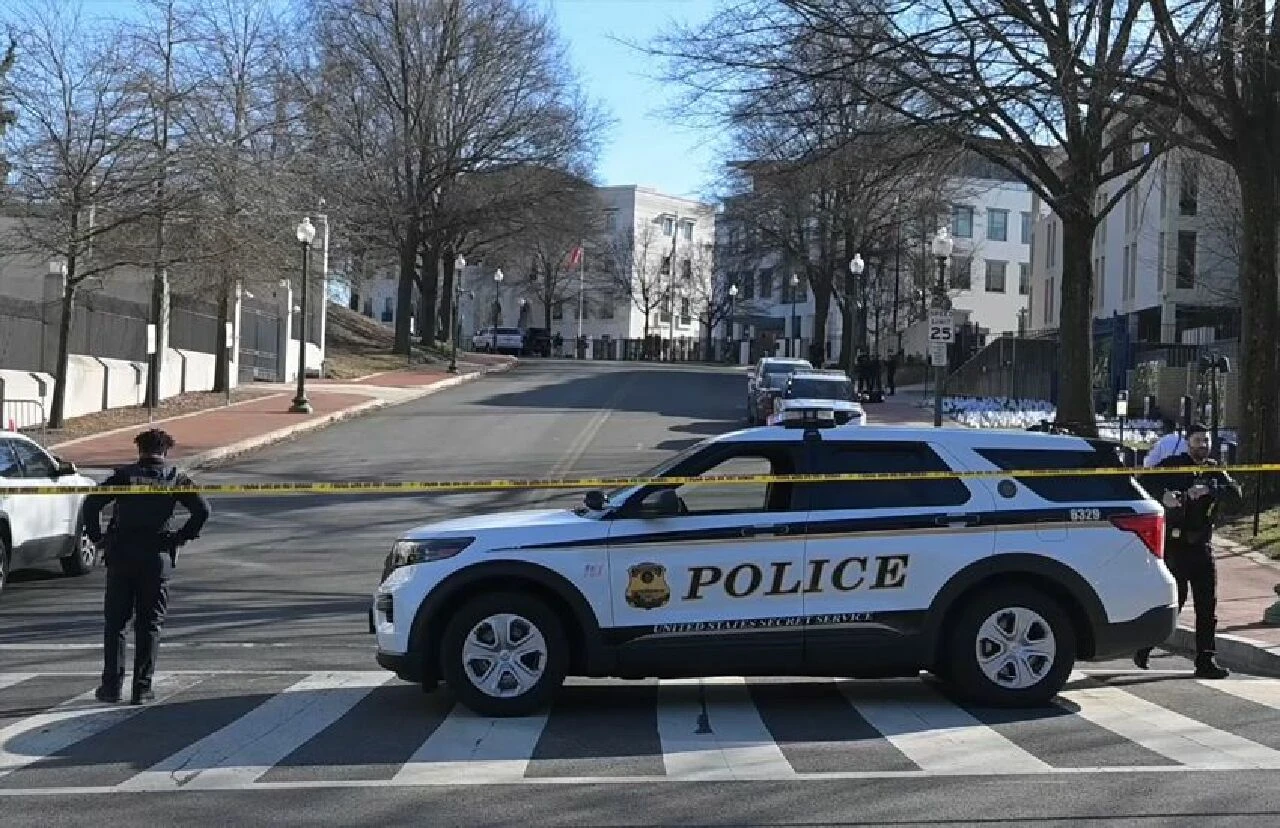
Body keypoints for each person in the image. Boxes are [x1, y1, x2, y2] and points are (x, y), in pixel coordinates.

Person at [83, 429, 211, 705]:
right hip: (157, 557)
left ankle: (111, 687)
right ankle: (142, 689)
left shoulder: (125, 476)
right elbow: (203, 511)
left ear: (139, 450)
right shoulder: (176, 478)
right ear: (166, 452)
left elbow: (91, 503)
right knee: (149, 624)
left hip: (122, 556)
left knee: (115, 623)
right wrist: (180, 537)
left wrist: (97, 538)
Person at [1134, 424, 1240, 678]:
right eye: (1197, 441)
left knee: (1207, 607)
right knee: (1174, 603)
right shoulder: (1173, 465)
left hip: (1202, 546)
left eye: (1205, 441)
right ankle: (1144, 646)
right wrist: (1165, 496)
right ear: (1188, 443)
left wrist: (1210, 489)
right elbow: (1141, 484)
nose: (1202, 446)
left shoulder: (1214, 469)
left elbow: (1236, 496)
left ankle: (1206, 661)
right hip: (1176, 548)